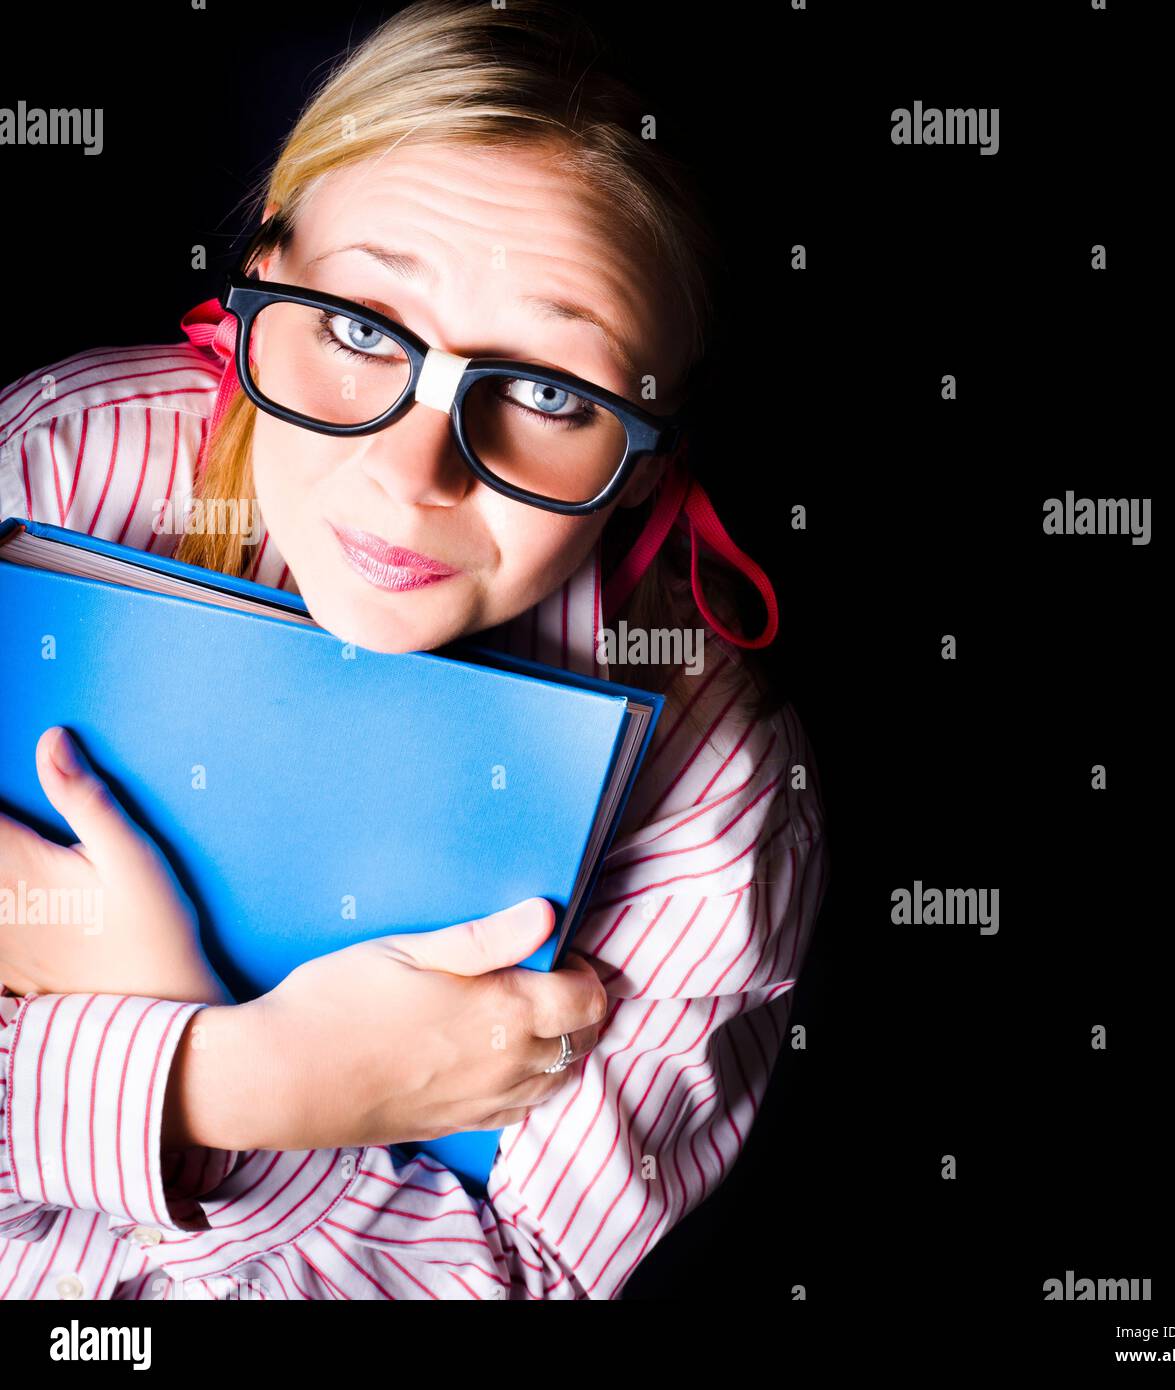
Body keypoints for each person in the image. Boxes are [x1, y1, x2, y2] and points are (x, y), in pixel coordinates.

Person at [0, 0, 826, 1299]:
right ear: (263, 270)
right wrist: (211, 1073)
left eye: (551, 391)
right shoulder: (52, 472)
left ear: (654, 437)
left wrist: (252, 1094)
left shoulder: (715, 789)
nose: (410, 472)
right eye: (358, 326)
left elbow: (523, 1278)